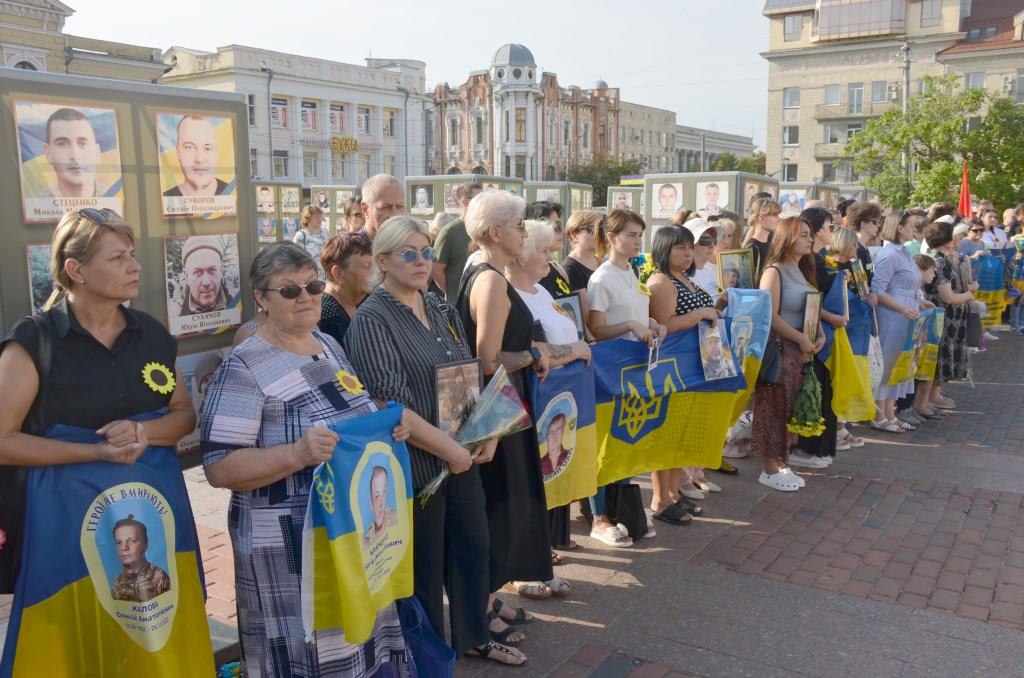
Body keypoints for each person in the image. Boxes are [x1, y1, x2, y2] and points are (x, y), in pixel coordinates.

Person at [201, 242, 468, 677]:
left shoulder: (327, 345)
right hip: (290, 549)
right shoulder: (244, 367)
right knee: (306, 653)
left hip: (350, 536)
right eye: (289, 291)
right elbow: (219, 468)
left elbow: (354, 414)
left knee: (358, 643)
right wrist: (295, 453)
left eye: (312, 286)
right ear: (262, 300)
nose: (305, 297)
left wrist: (386, 429)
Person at [0, 208, 200, 663]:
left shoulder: (150, 333)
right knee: (73, 641)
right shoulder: (34, 342)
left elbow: (183, 416)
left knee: (152, 639)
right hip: (64, 526)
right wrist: (94, 451)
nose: (135, 266)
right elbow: (3, 439)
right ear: (76, 270)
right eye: (117, 258)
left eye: (131, 254)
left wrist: (141, 431)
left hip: (153, 522)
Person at [345, 216, 515, 664]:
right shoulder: (372, 319)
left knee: (473, 550)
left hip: (462, 456)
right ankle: (430, 658)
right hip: (417, 469)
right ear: (382, 261)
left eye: (425, 252)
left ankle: (475, 635)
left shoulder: (437, 303)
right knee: (425, 569)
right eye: (408, 253)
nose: (422, 261)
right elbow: (390, 403)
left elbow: (467, 370)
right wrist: (451, 452)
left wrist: (488, 432)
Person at [454, 190, 555, 652]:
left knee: (494, 506)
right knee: (496, 507)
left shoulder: (481, 268)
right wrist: (533, 353)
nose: (524, 231)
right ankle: (480, 608)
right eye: (517, 223)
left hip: (499, 408)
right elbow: (488, 359)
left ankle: (488, 600)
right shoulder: (491, 279)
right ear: (495, 232)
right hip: (496, 412)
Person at [507, 219, 591, 595]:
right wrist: (575, 351)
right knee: (529, 489)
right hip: (534, 402)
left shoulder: (540, 289)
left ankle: (539, 563)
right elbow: (537, 353)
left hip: (560, 402)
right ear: (521, 253)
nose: (550, 258)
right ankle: (523, 572)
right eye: (542, 251)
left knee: (550, 485)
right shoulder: (512, 295)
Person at [587, 209, 667, 546]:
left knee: (623, 439)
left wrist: (651, 324)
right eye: (630, 235)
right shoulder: (602, 277)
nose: (637, 241)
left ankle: (620, 511)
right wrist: (633, 326)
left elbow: (635, 312)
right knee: (604, 441)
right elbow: (596, 328)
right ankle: (598, 516)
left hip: (633, 369)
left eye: (639, 235)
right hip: (610, 369)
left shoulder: (631, 272)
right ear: (611, 237)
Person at [647, 225, 723, 522]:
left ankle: (673, 494)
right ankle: (659, 499)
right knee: (665, 433)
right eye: (681, 248)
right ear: (665, 249)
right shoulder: (661, 281)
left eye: (690, 247)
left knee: (680, 434)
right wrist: (700, 315)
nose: (688, 253)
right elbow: (663, 324)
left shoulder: (684, 279)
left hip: (694, 366)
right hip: (672, 367)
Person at [752, 216, 824, 492]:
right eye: (804, 234)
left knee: (790, 406)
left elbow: (810, 306)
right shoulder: (775, 270)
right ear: (789, 238)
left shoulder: (802, 269)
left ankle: (782, 460)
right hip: (781, 346)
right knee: (773, 405)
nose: (810, 239)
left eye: (810, 234)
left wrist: (819, 334)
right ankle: (769, 467)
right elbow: (769, 314)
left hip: (799, 347)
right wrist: (800, 338)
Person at [789, 207, 840, 467]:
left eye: (810, 235)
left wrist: (821, 326)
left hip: (817, 336)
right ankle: (804, 448)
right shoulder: (791, 267)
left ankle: (817, 447)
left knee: (821, 391)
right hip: (800, 338)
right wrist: (828, 319)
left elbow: (812, 300)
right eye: (830, 227)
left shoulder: (815, 261)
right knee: (811, 391)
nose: (809, 240)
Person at [922, 221, 975, 410]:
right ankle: (928, 398)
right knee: (938, 355)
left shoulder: (943, 258)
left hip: (947, 316)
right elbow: (948, 296)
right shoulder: (939, 261)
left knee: (942, 354)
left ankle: (934, 395)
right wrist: (969, 294)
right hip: (943, 316)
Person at [318, 232, 373, 344]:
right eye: (367, 266)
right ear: (338, 273)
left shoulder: (366, 298)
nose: (375, 271)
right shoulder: (328, 316)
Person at [433, 182, 483, 303]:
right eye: (479, 199)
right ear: (465, 202)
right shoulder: (450, 231)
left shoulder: (485, 229)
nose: (483, 204)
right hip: (459, 307)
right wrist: (454, 293)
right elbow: (435, 269)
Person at [41, 108, 107, 198]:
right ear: (48, 153)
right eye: (62, 144)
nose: (75, 155)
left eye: (82, 144)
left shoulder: (117, 199)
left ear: (97, 153)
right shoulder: (34, 204)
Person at [162, 115, 230, 197]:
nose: (200, 159)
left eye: (207, 148)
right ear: (178, 152)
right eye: (189, 147)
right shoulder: (164, 198)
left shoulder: (232, 193)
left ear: (216, 152)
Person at [110, 515, 171, 603]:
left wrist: (149, 599)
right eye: (119, 542)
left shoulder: (160, 578)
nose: (124, 548)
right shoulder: (117, 585)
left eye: (132, 541)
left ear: (145, 544)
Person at [178, 235, 231, 316]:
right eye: (198, 272)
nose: (206, 282)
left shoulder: (236, 308)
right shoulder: (175, 317)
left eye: (212, 270)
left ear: (221, 271)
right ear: (186, 277)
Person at [742, 197, 782, 278]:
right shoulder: (752, 247)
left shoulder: (771, 244)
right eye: (775, 215)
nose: (779, 219)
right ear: (761, 218)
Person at [360, 174, 405, 240]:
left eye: (399, 207)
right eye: (385, 207)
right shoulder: (348, 247)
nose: (394, 215)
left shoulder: (411, 247)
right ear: (365, 209)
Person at [686, 219, 721, 298]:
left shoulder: (710, 270)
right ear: (691, 244)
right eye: (706, 240)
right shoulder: (684, 274)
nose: (712, 245)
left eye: (714, 240)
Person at [363, 466, 397, 545]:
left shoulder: (395, 519)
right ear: (371, 504)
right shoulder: (366, 540)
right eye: (377, 496)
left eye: (384, 492)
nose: (381, 503)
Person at [293, 204, 329, 274]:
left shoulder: (325, 233)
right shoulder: (301, 236)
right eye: (316, 217)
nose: (319, 219)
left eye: (320, 216)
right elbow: (294, 258)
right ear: (307, 219)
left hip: (324, 277)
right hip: (307, 277)